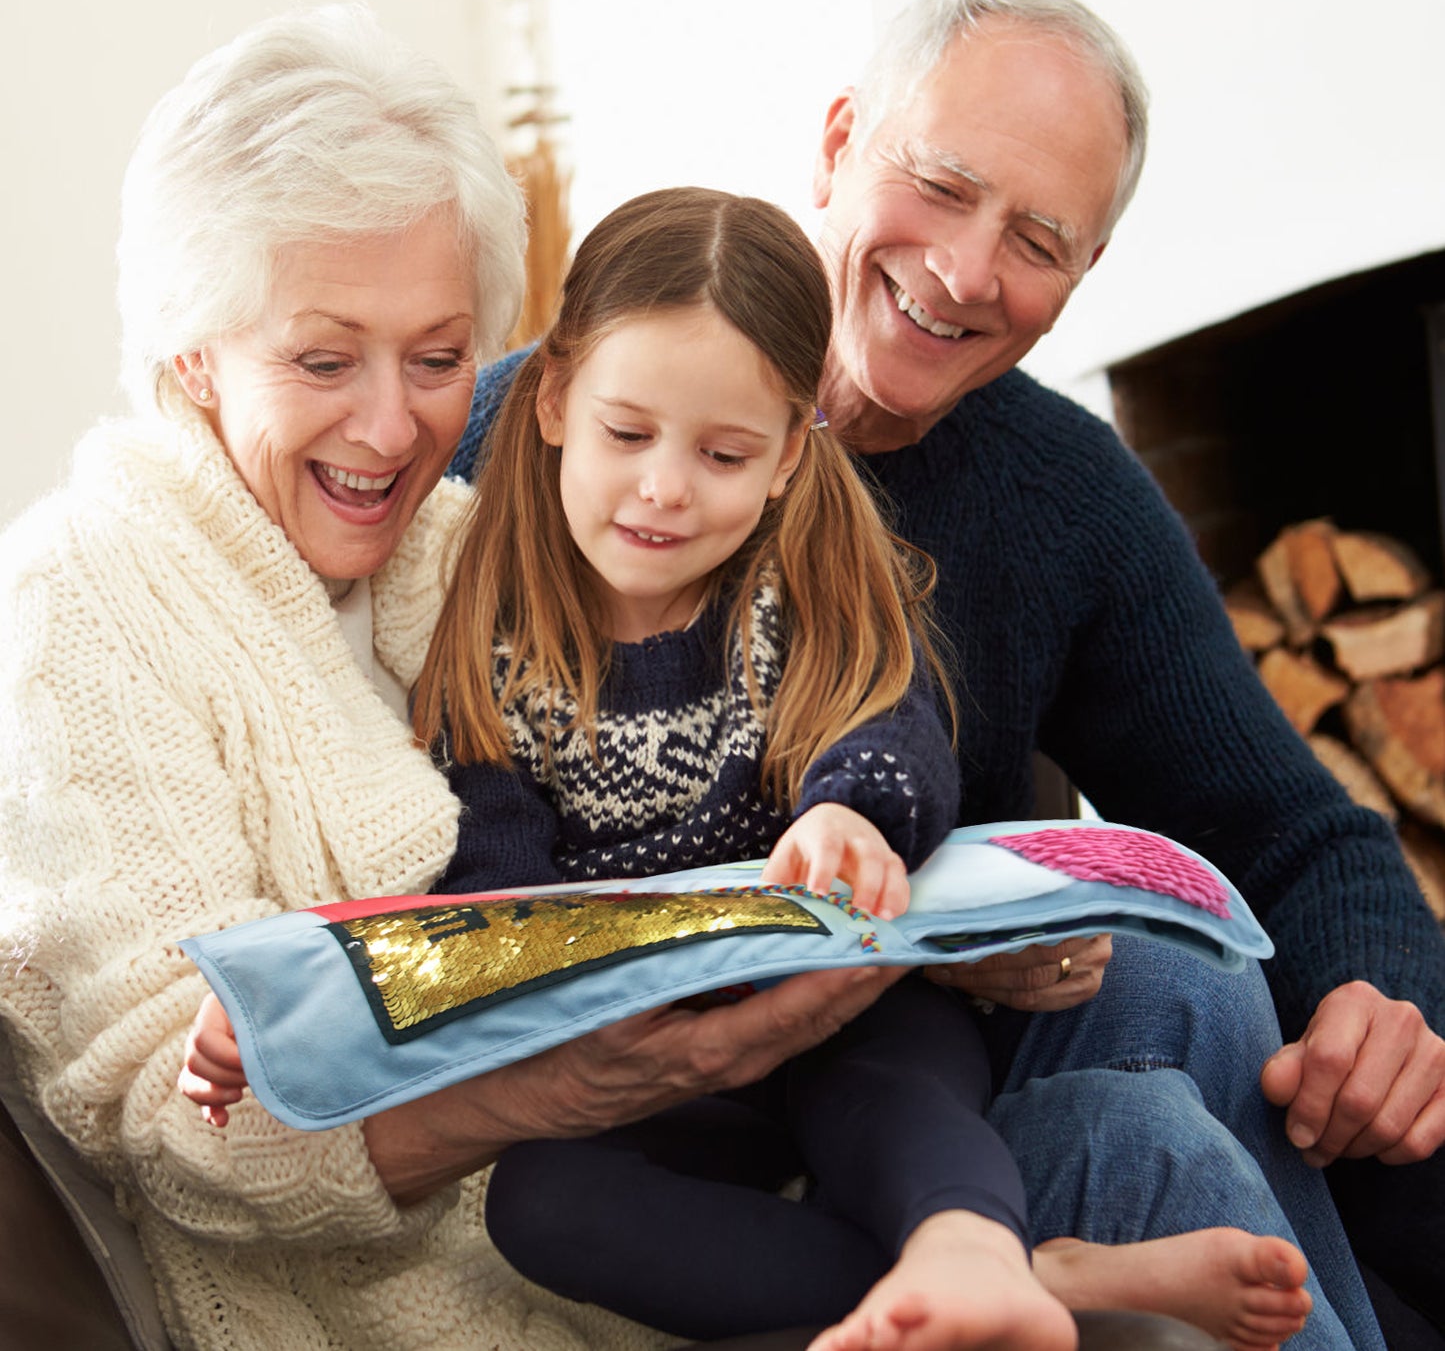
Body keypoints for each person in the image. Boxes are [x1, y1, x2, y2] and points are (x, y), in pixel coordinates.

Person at [447, 0, 1432, 1351]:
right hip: (636, 1087)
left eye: (1036, 239)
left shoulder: (1059, 496)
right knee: (1143, 1114)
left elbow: (1289, 826)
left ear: (1081, 276)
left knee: (1198, 988)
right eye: (942, 185)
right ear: (839, 142)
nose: (968, 271)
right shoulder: (520, 444)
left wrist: (1379, 996)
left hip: (891, 1046)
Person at [185, 185, 1321, 1351]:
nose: (665, 487)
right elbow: (485, 900)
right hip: (657, 1075)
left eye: (722, 453)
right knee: (541, 1203)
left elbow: (891, 729)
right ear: (555, 399)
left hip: (830, 1012)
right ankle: (1047, 1271)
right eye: (628, 435)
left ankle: (967, 1244)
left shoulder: (794, 598)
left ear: (786, 454)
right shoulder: (488, 634)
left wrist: (852, 816)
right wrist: (303, 1009)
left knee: (891, 1075)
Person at [0, 5, 909, 1351]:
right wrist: (547, 1092)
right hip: (381, 1303)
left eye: (436, 359)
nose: (391, 426)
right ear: (190, 351)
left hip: (671, 1210)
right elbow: (169, 1126)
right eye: (322, 360)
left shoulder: (465, 548)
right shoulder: (76, 600)